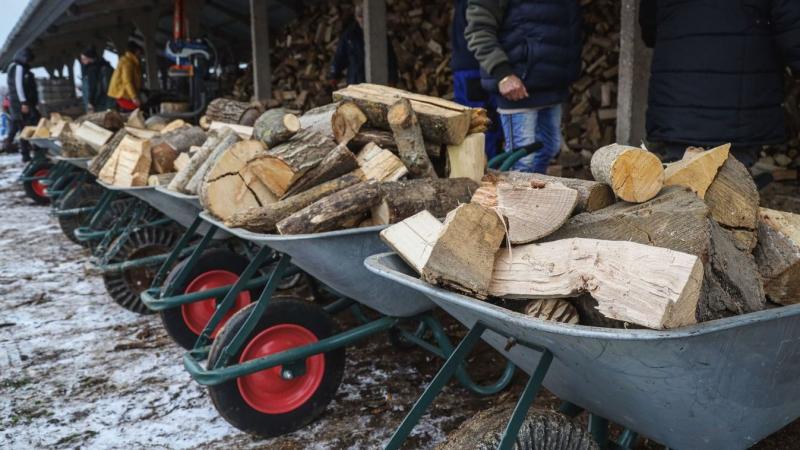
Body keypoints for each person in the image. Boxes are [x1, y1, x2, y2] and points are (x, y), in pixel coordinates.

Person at [639, 0, 800, 168]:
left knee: (678, 180)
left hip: (677, 108)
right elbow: (794, 33)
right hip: (742, 109)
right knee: (735, 182)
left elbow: (649, 29)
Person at [465, 0, 582, 174]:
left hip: (552, 84)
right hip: (518, 86)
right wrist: (503, 74)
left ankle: (535, 197)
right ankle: (516, 200)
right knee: (522, 162)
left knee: (549, 148)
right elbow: (478, 29)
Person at [451, 0, 501, 159]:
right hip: (475, 67)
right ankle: (486, 169)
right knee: (479, 124)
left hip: (469, 65)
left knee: (478, 123)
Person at [329, 3, 398, 86]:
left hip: (377, 79)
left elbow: (390, 57)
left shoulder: (379, 33)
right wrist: (334, 75)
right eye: (359, 16)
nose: (361, 19)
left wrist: (392, 78)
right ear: (356, 17)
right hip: (355, 80)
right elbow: (340, 56)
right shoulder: (350, 35)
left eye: (363, 16)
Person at [5, 48, 40, 162]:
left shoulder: (12, 66)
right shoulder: (19, 67)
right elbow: (19, 86)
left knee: (22, 128)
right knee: (29, 126)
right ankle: (33, 151)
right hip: (21, 104)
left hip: (16, 103)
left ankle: (27, 153)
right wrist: (24, 102)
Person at [107, 41, 144, 112]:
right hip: (122, 94)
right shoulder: (128, 63)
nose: (140, 54)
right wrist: (134, 97)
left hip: (124, 93)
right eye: (139, 52)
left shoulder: (130, 61)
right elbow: (127, 81)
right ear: (137, 51)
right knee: (135, 110)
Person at [80, 47, 114, 112]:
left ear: (90, 58)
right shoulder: (106, 66)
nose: (82, 61)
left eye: (84, 59)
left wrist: (90, 102)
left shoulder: (92, 69)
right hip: (109, 98)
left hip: (98, 101)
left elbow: (93, 87)